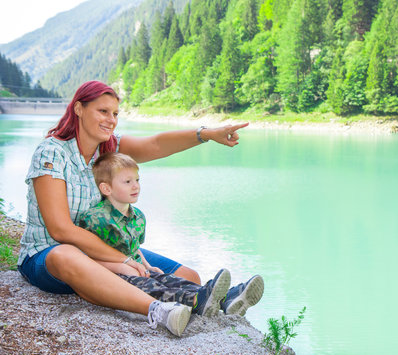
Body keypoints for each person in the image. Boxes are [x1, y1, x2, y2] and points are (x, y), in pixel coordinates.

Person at [16, 80, 258, 337]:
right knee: (65, 254)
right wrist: (123, 260)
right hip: (46, 256)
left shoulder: (107, 150)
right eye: (103, 111)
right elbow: (60, 229)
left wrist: (205, 135)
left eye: (115, 113)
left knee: (190, 275)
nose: (111, 119)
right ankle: (158, 310)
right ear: (78, 109)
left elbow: (154, 145)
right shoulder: (52, 152)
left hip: (102, 249)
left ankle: (219, 301)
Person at [78, 151, 263, 319]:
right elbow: (86, 257)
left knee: (170, 279)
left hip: (138, 268)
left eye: (137, 180)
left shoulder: (138, 217)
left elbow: (134, 247)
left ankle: (226, 299)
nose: (135, 186)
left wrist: (148, 265)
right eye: (127, 182)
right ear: (106, 189)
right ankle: (197, 301)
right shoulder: (96, 218)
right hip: (113, 276)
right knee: (154, 288)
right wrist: (122, 267)